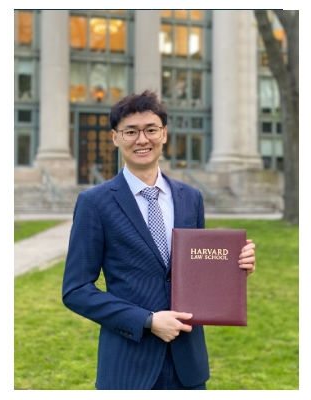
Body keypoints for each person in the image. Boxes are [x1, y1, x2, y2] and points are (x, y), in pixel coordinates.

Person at [61, 90, 255, 390]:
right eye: (131, 131)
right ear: (115, 138)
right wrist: (147, 320)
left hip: (187, 367)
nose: (142, 140)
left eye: (151, 130)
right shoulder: (95, 203)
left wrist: (235, 267)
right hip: (128, 366)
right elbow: (76, 290)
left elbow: (199, 271)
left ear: (163, 134)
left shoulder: (191, 198)